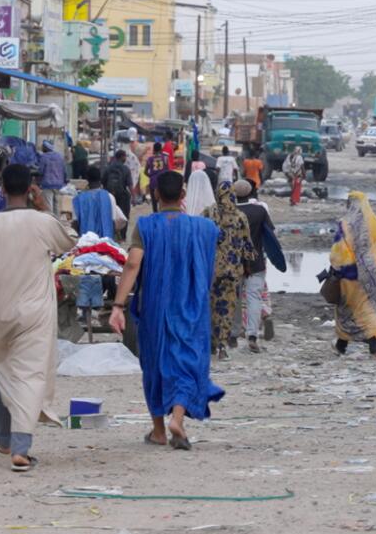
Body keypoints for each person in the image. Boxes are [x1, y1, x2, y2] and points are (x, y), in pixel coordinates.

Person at [0, 163, 77, 472]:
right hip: (35, 314)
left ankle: (3, 438)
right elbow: (69, 239)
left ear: (2, 190)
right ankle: (20, 448)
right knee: (30, 375)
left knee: (2, 370)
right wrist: (44, 206)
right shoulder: (42, 222)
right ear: (31, 189)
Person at [110, 170, 224, 449]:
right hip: (192, 307)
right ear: (183, 195)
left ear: (156, 194)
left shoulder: (146, 226)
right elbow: (212, 268)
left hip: (155, 307)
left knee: (155, 363)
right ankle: (178, 419)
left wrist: (118, 305)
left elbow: (133, 264)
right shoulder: (205, 228)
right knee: (188, 361)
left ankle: (159, 430)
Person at [325, 191, 376, 356]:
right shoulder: (375, 223)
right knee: (367, 310)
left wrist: (336, 267)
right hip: (373, 275)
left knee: (348, 310)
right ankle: (364, 347)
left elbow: (339, 251)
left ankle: (345, 345)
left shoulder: (345, 224)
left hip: (350, 277)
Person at [233, 179, 286, 352]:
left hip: (233, 262)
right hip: (256, 262)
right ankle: (252, 335)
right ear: (251, 192)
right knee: (254, 298)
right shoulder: (260, 211)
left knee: (235, 298)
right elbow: (270, 234)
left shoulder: (228, 211)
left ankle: (233, 335)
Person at [72, 169, 128, 324]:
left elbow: (75, 222)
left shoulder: (78, 199)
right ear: (100, 179)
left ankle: (87, 308)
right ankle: (105, 305)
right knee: (107, 271)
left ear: (87, 180)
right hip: (106, 244)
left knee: (87, 271)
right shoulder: (109, 197)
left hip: (86, 244)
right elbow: (118, 220)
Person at [207, 182, 253, 360]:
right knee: (228, 308)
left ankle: (211, 343)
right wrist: (247, 266)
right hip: (233, 271)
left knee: (211, 306)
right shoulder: (240, 217)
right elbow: (248, 246)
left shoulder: (209, 214)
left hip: (212, 270)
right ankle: (222, 346)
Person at [103, 149, 136, 222]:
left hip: (110, 196)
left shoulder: (108, 168)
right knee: (124, 217)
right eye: (125, 156)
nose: (126, 158)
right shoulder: (126, 169)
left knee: (110, 216)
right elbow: (130, 185)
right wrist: (134, 197)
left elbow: (103, 182)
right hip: (122, 196)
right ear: (122, 157)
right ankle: (123, 229)